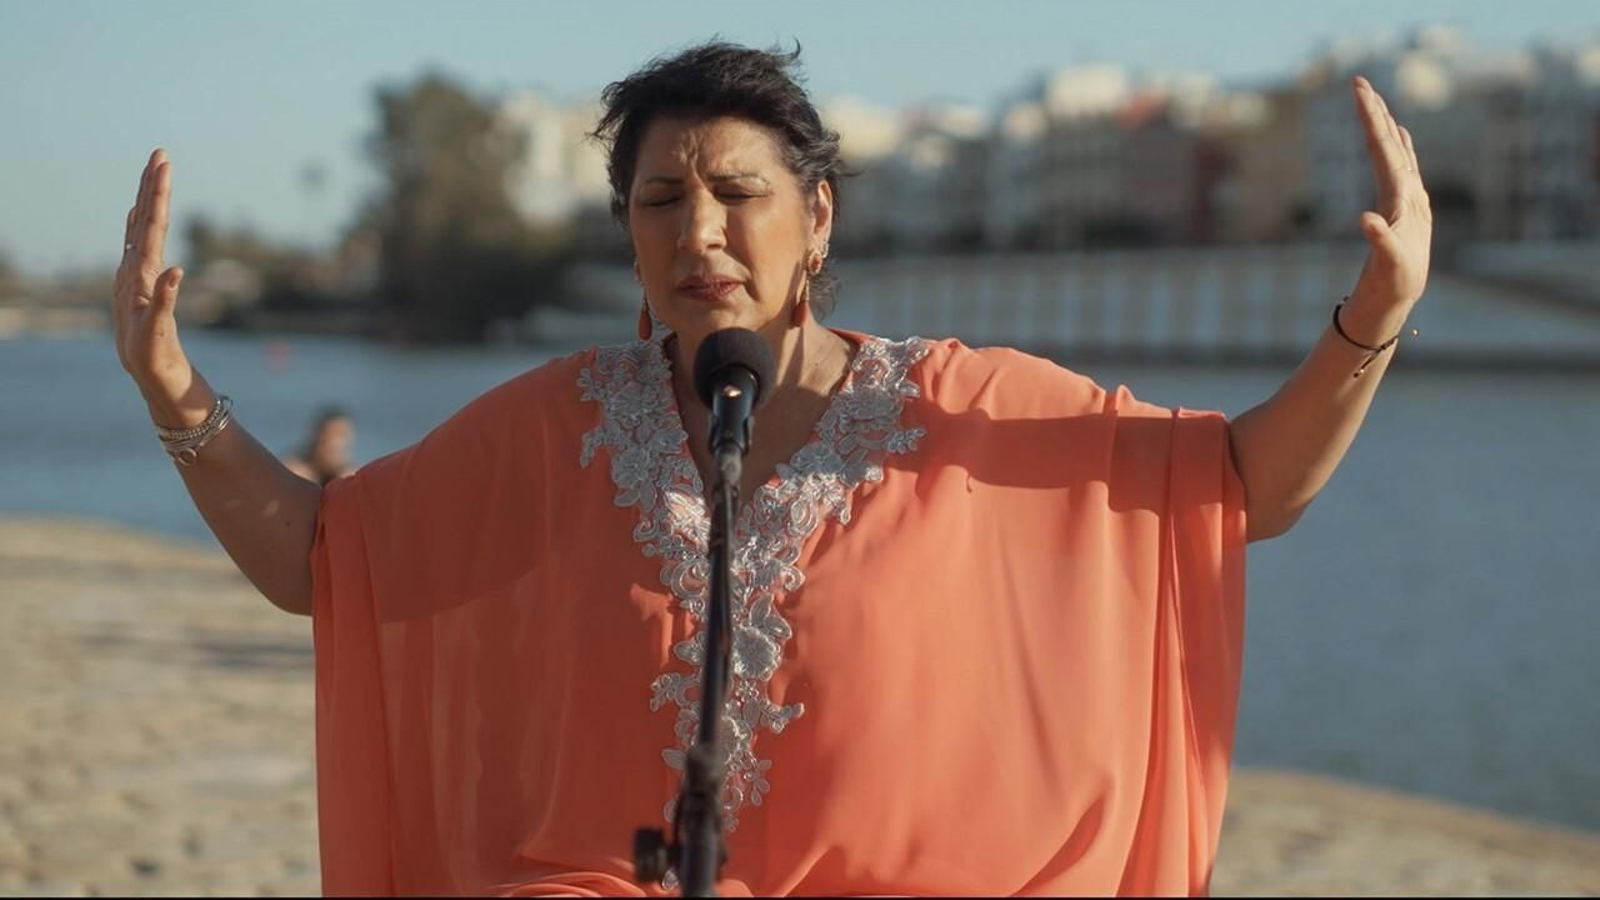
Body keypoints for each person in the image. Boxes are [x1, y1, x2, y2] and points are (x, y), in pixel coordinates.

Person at [110, 42, 1431, 897]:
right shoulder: (555, 428)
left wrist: (1371, 317)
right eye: (658, 200)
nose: (699, 229)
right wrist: (174, 386)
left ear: (819, 217)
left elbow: (1243, 483)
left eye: (736, 191)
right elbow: (321, 559)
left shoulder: (973, 409)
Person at [283, 404, 358, 486]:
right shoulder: (294, 469)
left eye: (342, 435)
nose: (335, 443)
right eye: (330, 434)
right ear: (316, 435)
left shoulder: (349, 473)